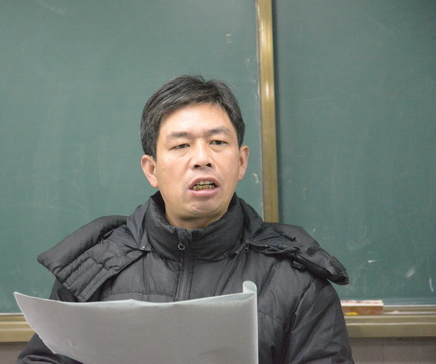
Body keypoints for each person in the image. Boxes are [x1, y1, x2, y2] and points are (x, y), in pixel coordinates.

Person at [17, 75, 353, 363]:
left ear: (241, 162)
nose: (202, 158)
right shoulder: (96, 266)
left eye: (217, 142)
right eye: (181, 146)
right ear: (151, 169)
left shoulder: (297, 281)